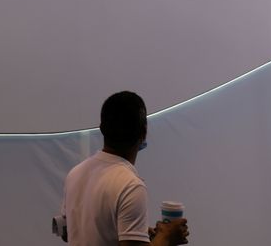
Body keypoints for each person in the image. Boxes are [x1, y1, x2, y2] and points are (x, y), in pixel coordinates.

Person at [58, 91, 189, 246]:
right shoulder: (130, 186)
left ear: (102, 128)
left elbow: (69, 232)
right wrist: (167, 236)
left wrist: (133, 232)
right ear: (144, 132)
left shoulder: (75, 173)